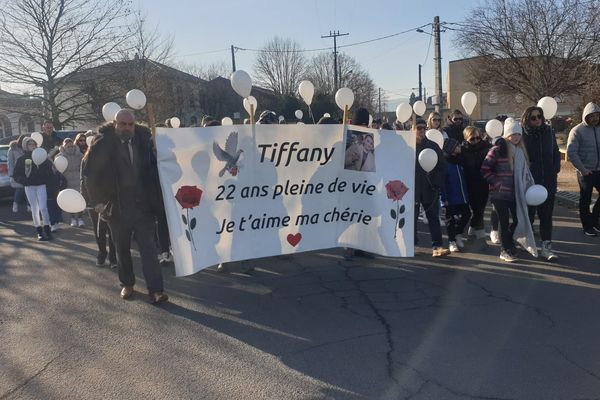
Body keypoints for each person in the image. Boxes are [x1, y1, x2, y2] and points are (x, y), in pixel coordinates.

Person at [82, 109, 167, 303]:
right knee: (121, 249)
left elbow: (158, 169)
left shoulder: (146, 141)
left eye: (131, 124)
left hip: (143, 206)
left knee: (149, 250)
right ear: (115, 124)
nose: (127, 128)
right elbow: (90, 176)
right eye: (123, 124)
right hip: (116, 207)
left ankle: (156, 290)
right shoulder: (101, 145)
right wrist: (98, 201)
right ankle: (127, 284)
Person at [481, 121, 537, 262]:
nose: (516, 137)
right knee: (504, 222)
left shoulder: (520, 151)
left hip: (515, 193)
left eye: (518, 134)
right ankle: (504, 250)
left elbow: (524, 172)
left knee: (518, 220)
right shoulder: (498, 149)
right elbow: (485, 169)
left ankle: (509, 241)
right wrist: (496, 182)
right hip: (499, 194)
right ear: (507, 135)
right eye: (513, 134)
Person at [521, 106, 560, 260]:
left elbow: (555, 152)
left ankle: (546, 246)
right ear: (527, 119)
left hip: (548, 181)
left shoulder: (549, 132)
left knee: (546, 216)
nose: (537, 120)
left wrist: (555, 169)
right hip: (530, 182)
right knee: (528, 215)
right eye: (533, 117)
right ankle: (527, 241)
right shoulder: (523, 135)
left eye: (539, 116)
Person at [414, 118, 449, 257]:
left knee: (433, 217)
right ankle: (413, 245)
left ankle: (437, 246)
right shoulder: (407, 147)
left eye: (424, 128)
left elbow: (442, 167)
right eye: (419, 128)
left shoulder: (433, 146)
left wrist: (436, 183)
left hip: (430, 188)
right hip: (413, 188)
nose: (422, 130)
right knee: (412, 218)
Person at [566, 102, 600, 236]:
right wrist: (582, 169)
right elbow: (572, 152)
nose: (595, 118)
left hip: (599, 170)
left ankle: (594, 219)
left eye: (597, 115)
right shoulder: (577, 131)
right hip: (585, 172)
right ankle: (587, 226)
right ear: (586, 116)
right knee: (585, 199)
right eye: (592, 116)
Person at [12, 137, 54, 241]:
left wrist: (45, 169)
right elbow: (16, 175)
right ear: (25, 146)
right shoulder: (21, 159)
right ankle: (39, 231)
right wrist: (24, 181)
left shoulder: (42, 157)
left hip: (41, 185)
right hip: (29, 187)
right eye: (30, 144)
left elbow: (49, 171)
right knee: (34, 209)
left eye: (33, 144)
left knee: (43, 208)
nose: (32, 146)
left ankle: (47, 229)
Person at [461, 126, 492, 247]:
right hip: (469, 184)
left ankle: (471, 233)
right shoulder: (463, 150)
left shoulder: (487, 147)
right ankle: (481, 238)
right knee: (477, 211)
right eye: (472, 139)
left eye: (478, 138)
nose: (476, 141)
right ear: (466, 138)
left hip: (484, 183)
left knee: (480, 210)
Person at [441, 138, 471, 253]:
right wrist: (444, 198)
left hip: (462, 195)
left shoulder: (460, 161)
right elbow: (443, 183)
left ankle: (458, 233)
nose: (460, 148)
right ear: (451, 149)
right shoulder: (445, 163)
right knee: (450, 219)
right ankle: (451, 241)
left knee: (467, 214)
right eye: (457, 146)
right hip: (450, 197)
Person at [58, 138, 85, 227]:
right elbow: (57, 167)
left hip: (78, 178)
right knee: (70, 200)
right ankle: (73, 218)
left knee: (80, 199)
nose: (70, 147)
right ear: (64, 146)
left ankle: (80, 218)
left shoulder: (79, 154)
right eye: (67, 146)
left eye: (71, 145)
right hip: (67, 180)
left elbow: (84, 165)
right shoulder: (60, 156)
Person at [7, 135, 28, 213]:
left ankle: (29, 206)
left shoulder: (27, 149)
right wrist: (11, 174)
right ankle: (15, 204)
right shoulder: (12, 149)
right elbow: (10, 163)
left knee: (27, 189)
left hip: (27, 172)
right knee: (20, 189)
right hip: (17, 173)